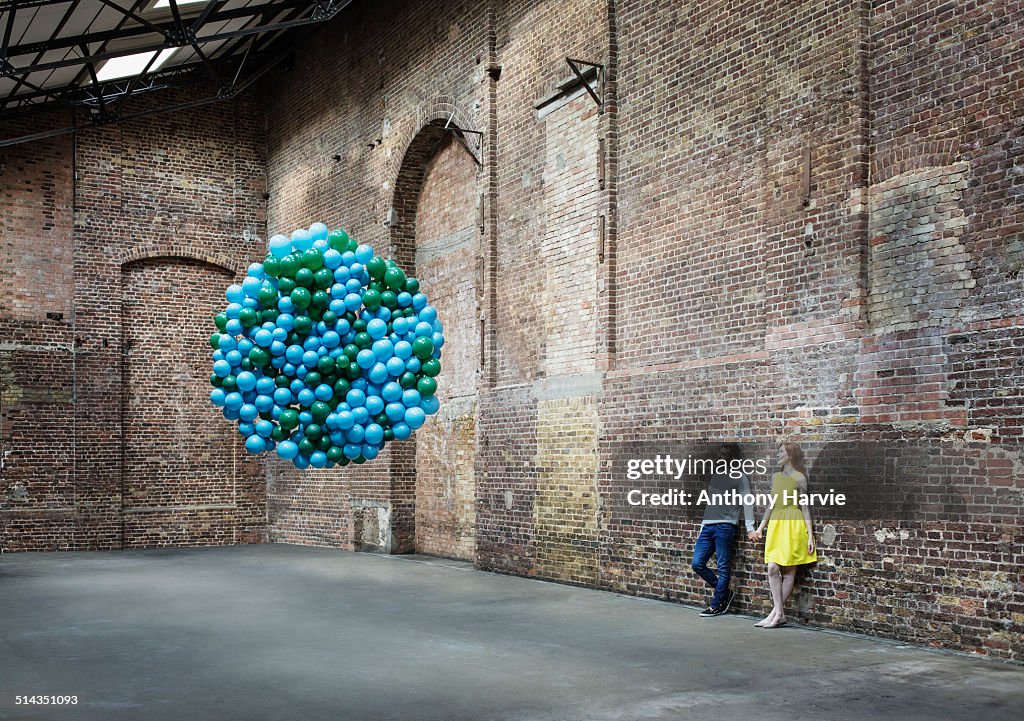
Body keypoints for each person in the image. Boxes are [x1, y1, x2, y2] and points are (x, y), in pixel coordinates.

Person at [750, 441, 817, 628]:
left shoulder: (800, 477)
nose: (778, 455)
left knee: (788, 572)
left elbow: (805, 508)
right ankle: (778, 613)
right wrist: (760, 528)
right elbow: (771, 504)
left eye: (781, 452)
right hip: (777, 523)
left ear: (790, 454)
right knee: (772, 568)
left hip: (793, 523)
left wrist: (810, 536)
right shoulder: (775, 477)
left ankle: (777, 614)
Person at [691, 443, 758, 617]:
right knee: (697, 563)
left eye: (723, 455)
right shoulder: (716, 476)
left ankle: (717, 604)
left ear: (733, 458)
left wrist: (750, 528)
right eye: (719, 454)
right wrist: (702, 527)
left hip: (725, 526)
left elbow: (747, 502)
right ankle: (725, 593)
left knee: (723, 567)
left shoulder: (740, 477)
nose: (719, 457)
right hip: (708, 526)